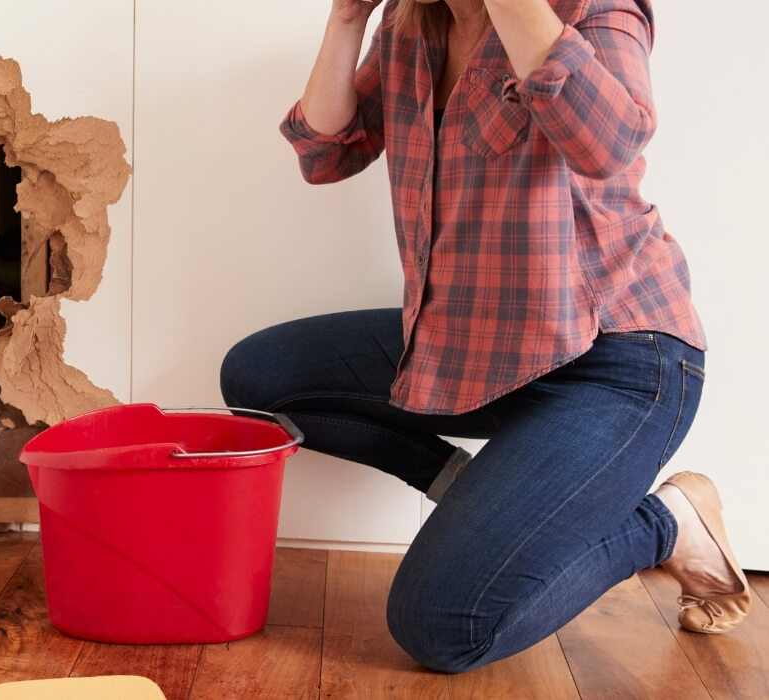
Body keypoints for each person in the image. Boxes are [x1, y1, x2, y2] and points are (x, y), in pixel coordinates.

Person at [219, 0, 749, 673]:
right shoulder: (413, 28)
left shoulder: (596, 10)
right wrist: (348, 19)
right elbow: (325, 154)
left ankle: (668, 524)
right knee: (261, 379)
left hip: (618, 361)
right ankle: (471, 487)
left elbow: (609, 144)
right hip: (480, 345)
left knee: (440, 626)